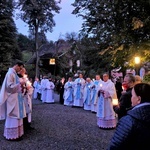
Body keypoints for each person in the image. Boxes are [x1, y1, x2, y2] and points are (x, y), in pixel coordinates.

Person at [108, 83, 150, 150]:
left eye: (132, 95)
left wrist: (115, 106)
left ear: (139, 99)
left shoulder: (128, 120)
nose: (131, 98)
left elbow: (116, 146)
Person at [0, 61, 26, 141]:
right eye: (20, 68)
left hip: (17, 98)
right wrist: (20, 84)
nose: (20, 70)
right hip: (12, 99)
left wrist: (21, 84)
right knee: (13, 116)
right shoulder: (10, 73)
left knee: (18, 116)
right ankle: (11, 136)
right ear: (16, 65)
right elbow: (9, 87)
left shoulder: (14, 74)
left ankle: (18, 134)